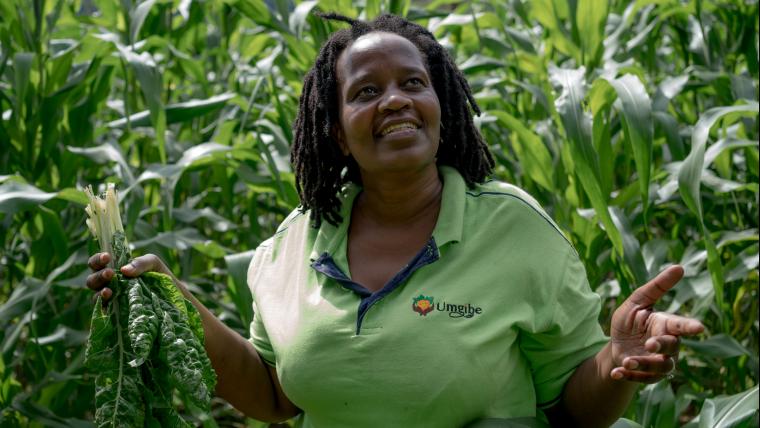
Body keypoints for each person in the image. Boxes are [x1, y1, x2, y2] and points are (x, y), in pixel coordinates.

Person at [86, 13, 705, 427]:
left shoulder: (513, 230)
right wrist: (169, 298)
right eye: (365, 91)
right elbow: (275, 395)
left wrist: (616, 360)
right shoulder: (292, 245)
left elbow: (571, 408)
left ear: (441, 107)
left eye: (414, 82)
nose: (396, 100)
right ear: (336, 132)